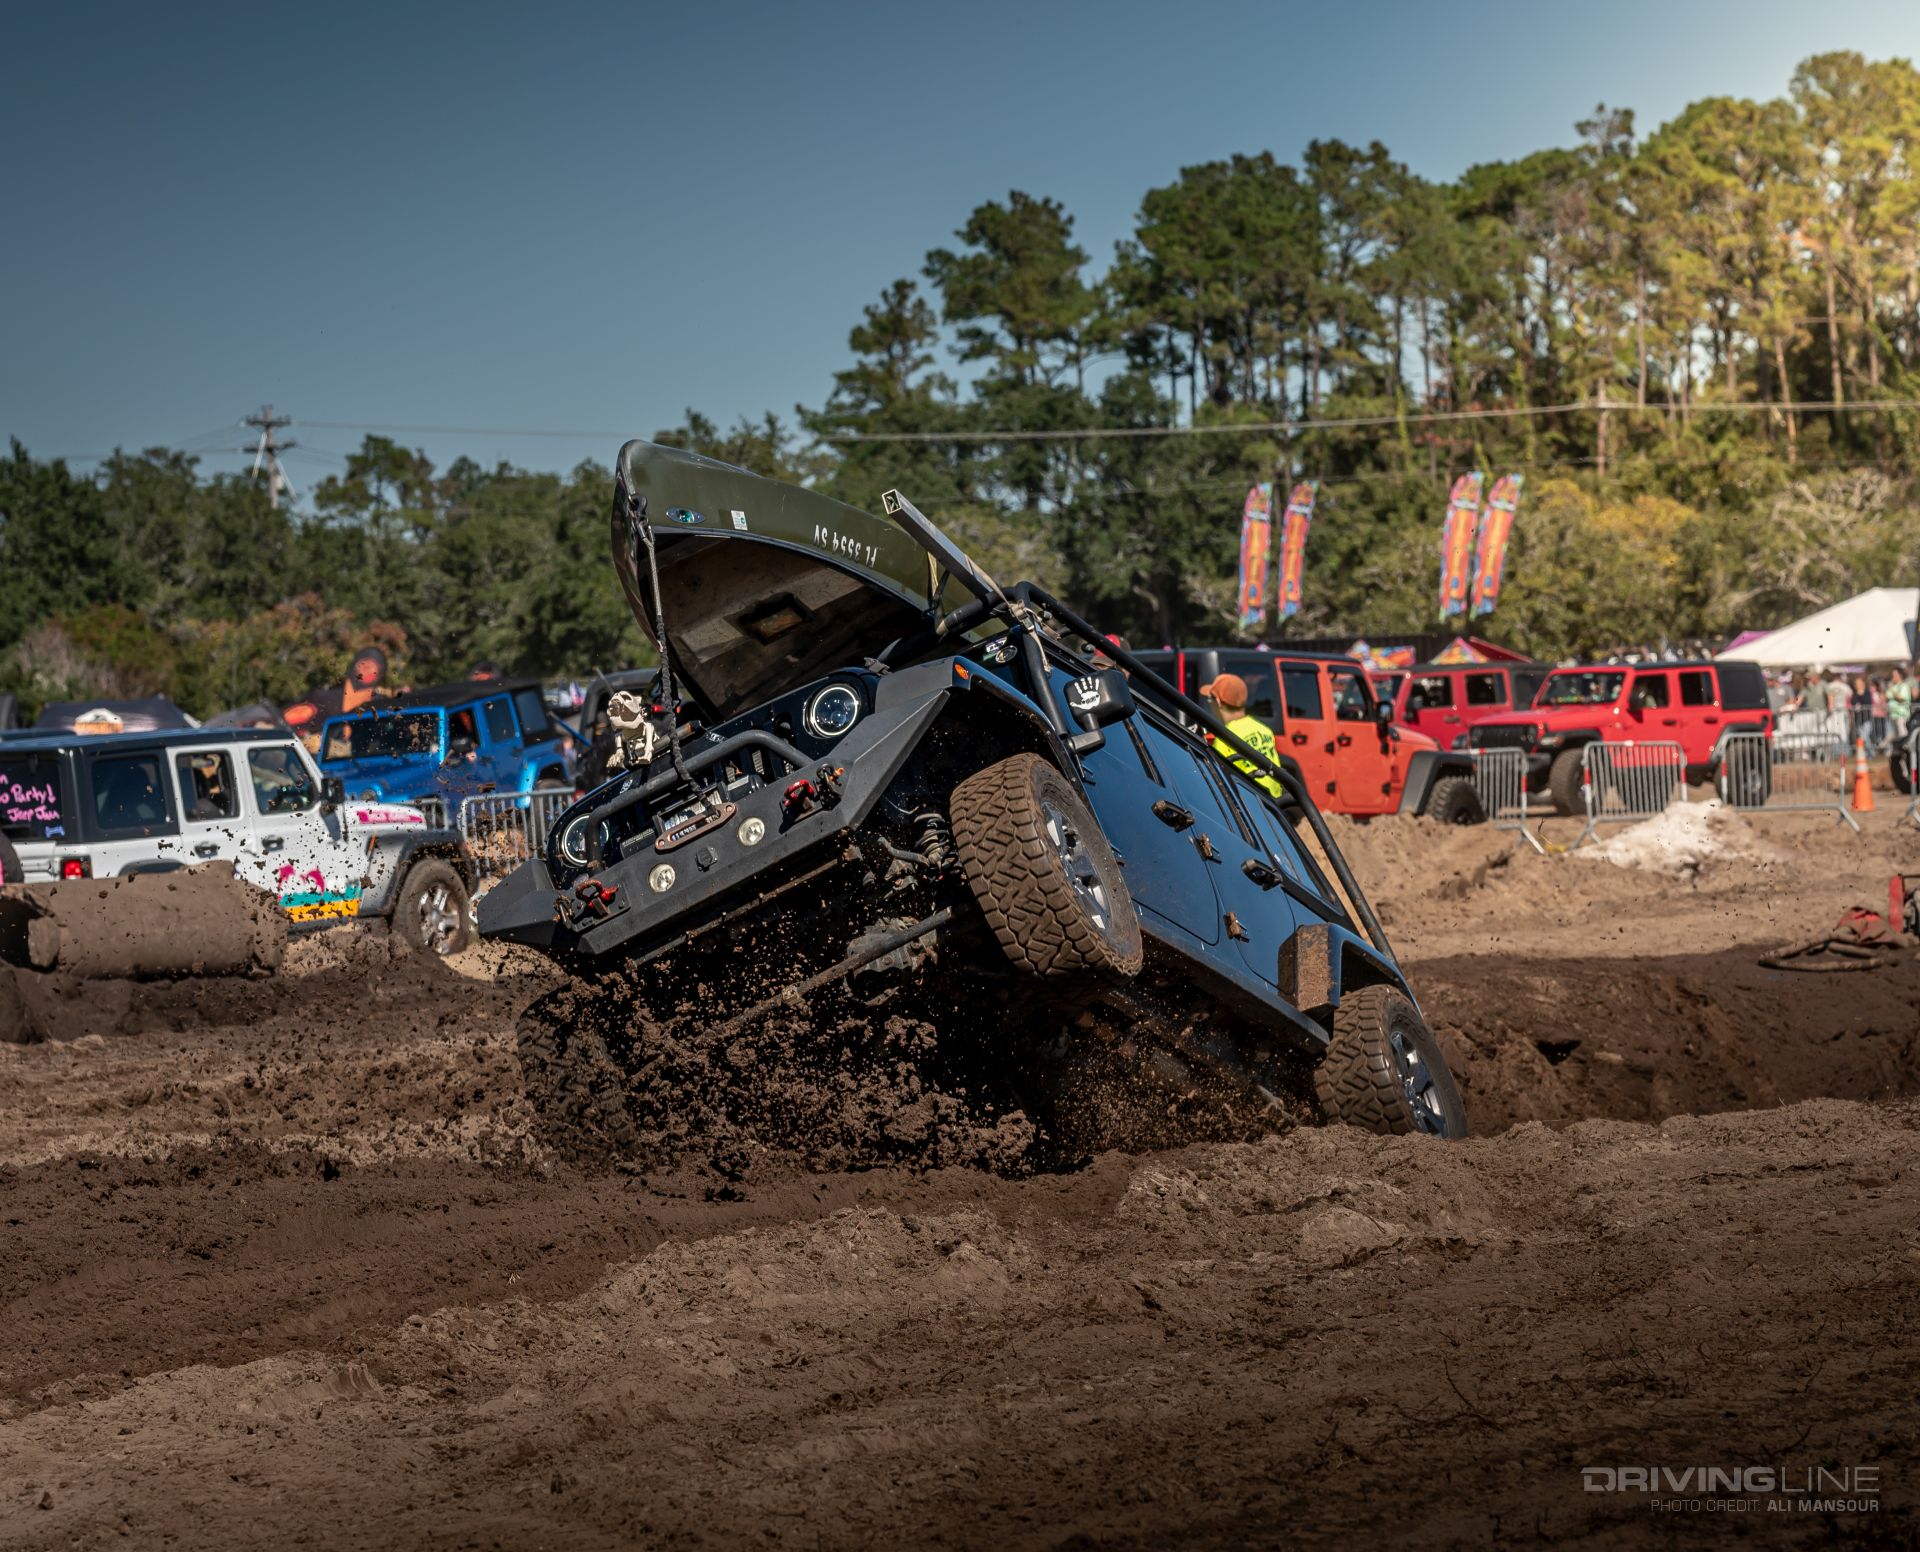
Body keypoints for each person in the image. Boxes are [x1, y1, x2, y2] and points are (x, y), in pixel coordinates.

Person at [1197, 672, 1283, 799]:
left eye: (1211, 699)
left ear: (1219, 702)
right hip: (1274, 804)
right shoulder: (1265, 730)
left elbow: (1218, 781)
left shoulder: (1224, 739)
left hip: (1249, 804)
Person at [1888, 665, 1912, 753]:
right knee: (1897, 736)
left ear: (1900, 675)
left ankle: (1907, 751)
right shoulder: (1893, 686)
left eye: (1895, 675)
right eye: (1892, 675)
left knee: (1903, 735)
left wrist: (1892, 692)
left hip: (1902, 715)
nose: (1893, 677)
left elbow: (1901, 698)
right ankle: (1900, 752)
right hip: (1893, 715)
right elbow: (1886, 697)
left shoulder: (1904, 686)